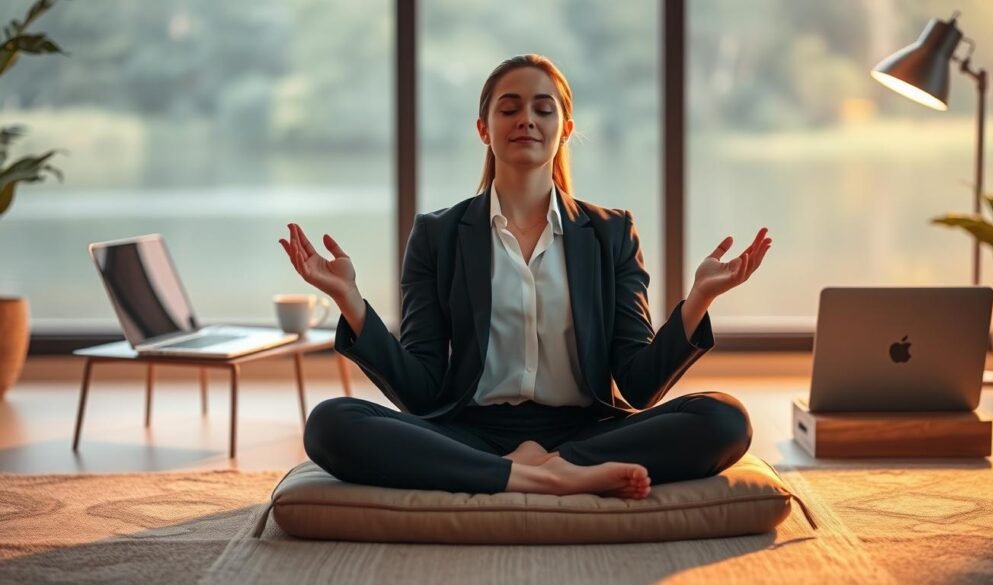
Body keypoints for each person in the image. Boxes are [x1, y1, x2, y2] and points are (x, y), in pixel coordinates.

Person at [279, 54, 771, 500]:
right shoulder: (437, 235)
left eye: (543, 109)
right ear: (483, 128)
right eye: (509, 108)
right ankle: (543, 477)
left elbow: (639, 385)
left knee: (723, 417)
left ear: (565, 126)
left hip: (585, 432)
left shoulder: (611, 233)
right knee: (331, 423)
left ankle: (541, 467)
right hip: (471, 432)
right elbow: (423, 392)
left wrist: (698, 299)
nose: (526, 121)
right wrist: (351, 302)